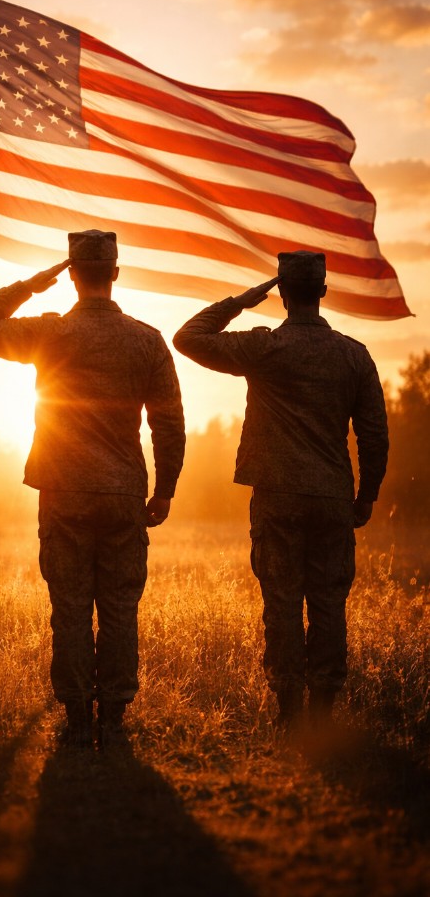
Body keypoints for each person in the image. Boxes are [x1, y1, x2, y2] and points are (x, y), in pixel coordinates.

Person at [0, 230, 186, 748]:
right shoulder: (146, 339)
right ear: (115, 273)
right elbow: (168, 424)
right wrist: (165, 488)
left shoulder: (50, 333)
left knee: (70, 605)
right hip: (124, 491)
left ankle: (79, 715)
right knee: (120, 607)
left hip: (62, 492)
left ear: (73, 275)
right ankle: (114, 716)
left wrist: (31, 286)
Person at [173, 251, 388, 728]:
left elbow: (187, 337)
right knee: (329, 602)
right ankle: (323, 713)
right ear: (323, 292)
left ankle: (289, 714)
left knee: (283, 602)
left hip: (277, 496)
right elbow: (374, 434)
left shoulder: (265, 348)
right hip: (333, 496)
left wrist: (243, 301)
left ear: (283, 294)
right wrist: (366, 495)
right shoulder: (354, 354)